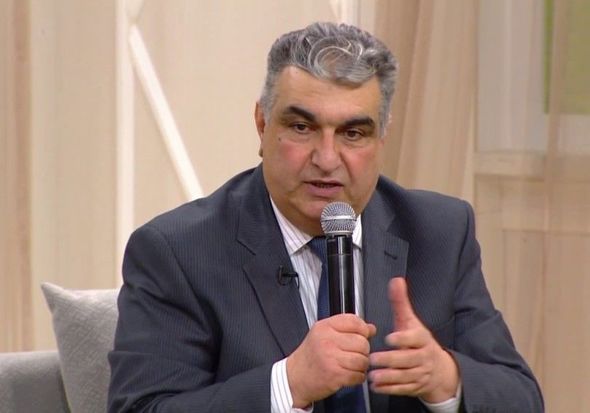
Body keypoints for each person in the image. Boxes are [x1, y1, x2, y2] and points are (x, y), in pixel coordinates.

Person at [108, 22, 543, 412]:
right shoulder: (178, 252)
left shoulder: (439, 232)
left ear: (382, 137)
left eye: (353, 133)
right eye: (302, 128)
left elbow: (522, 397)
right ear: (262, 124)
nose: (327, 158)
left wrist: (446, 379)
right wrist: (288, 384)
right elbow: (141, 407)